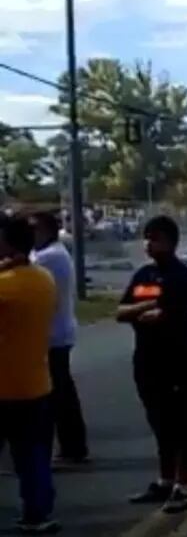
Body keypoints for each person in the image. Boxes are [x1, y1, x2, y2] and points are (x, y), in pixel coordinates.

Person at [116, 216, 187, 513]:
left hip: (175, 359)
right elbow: (121, 312)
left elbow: (167, 314)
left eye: (155, 239)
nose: (148, 244)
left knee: (181, 423)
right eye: (147, 238)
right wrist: (146, 306)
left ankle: (182, 485)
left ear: (170, 242)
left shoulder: (181, 276)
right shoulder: (143, 275)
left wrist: (148, 312)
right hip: (146, 359)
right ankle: (164, 480)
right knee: (159, 422)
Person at [0, 214, 60, 534]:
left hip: (4, 385)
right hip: (36, 382)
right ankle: (38, 513)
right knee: (32, 456)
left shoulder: (6, 286)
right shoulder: (43, 279)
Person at [29, 211, 89, 466]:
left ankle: (72, 448)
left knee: (59, 394)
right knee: (62, 392)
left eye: (33, 229)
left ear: (45, 231)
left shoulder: (49, 256)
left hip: (54, 334)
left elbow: (22, 267)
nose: (30, 235)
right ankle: (73, 446)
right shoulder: (53, 252)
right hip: (57, 332)